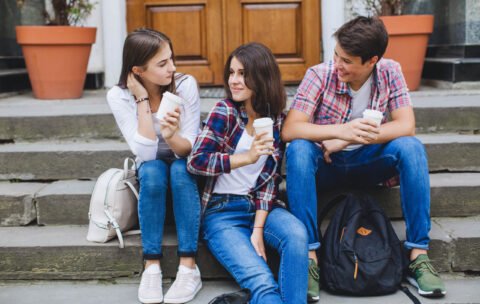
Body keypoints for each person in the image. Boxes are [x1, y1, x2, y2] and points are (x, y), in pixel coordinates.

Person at [282, 16, 446, 301]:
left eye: (346, 60)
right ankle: (309, 257)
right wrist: (339, 130)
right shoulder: (319, 75)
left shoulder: (389, 72)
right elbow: (291, 128)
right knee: (298, 149)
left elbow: (405, 125)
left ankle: (418, 253)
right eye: (336, 55)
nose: (337, 65)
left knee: (411, 148)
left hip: (369, 163)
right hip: (325, 165)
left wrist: (348, 139)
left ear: (371, 61)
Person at [187, 42, 308, 304]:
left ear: (261, 76)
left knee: (297, 235)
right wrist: (246, 157)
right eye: (232, 73)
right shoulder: (225, 111)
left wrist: (258, 229)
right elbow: (196, 161)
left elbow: (269, 182)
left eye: (243, 73)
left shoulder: (275, 120)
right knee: (264, 285)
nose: (234, 80)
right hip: (222, 213)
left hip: (259, 208)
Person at [107, 28, 202, 304]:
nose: (172, 68)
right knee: (152, 170)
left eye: (171, 59)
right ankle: (151, 266)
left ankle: (188, 266)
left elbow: (190, 149)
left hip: (184, 162)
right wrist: (141, 100)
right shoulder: (119, 96)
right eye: (162, 64)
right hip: (152, 171)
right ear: (138, 70)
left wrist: (171, 134)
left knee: (180, 169)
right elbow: (146, 154)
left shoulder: (185, 85)